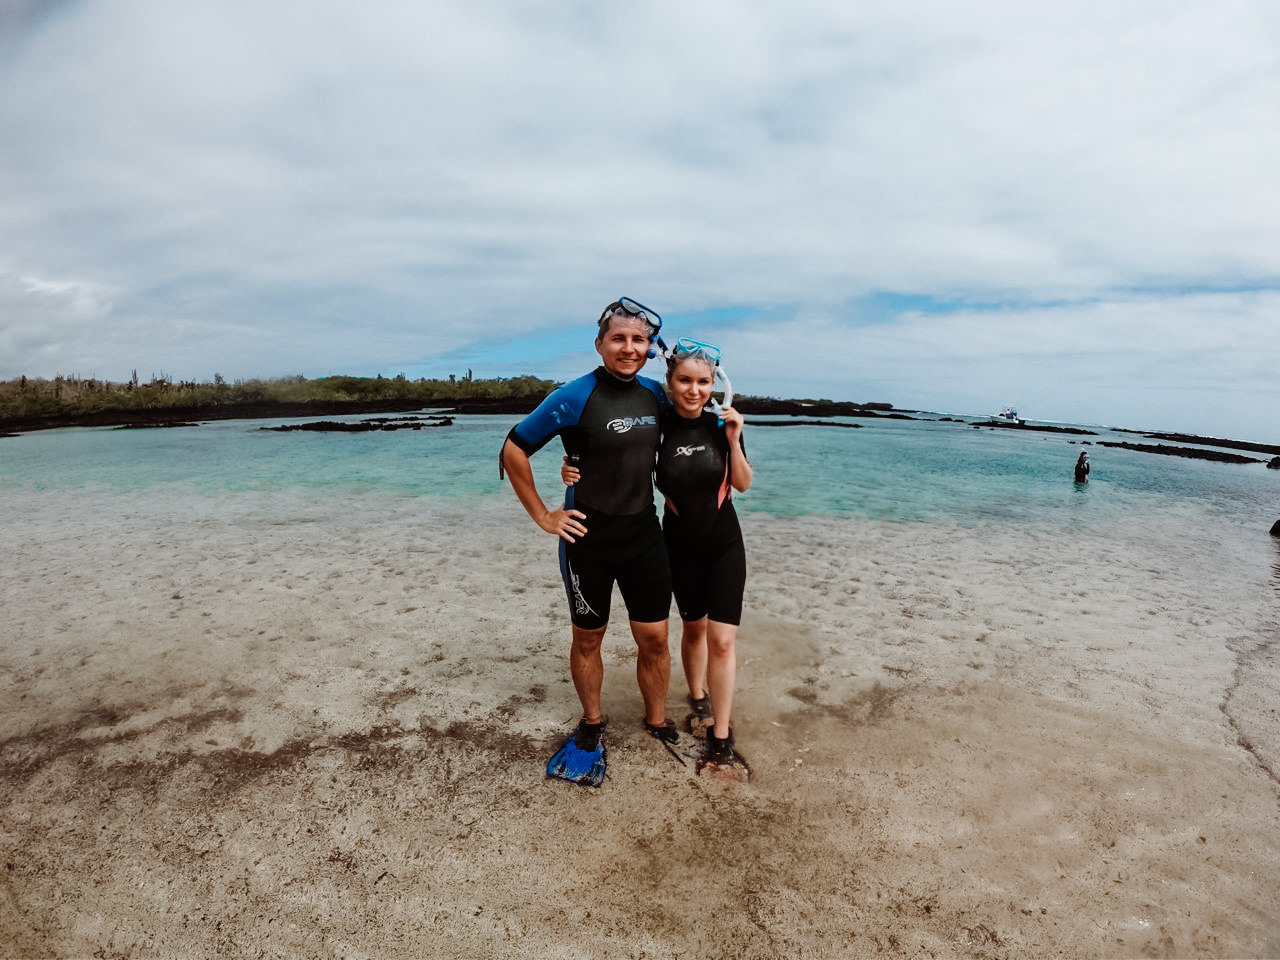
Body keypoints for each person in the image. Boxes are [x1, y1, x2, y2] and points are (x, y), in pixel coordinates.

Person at [500, 297, 680, 787]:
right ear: (600, 344)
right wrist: (544, 515)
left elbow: (687, 438)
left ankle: (657, 719)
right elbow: (514, 448)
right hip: (588, 539)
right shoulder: (573, 396)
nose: (628, 347)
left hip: (644, 534)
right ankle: (593, 722)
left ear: (649, 348)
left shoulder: (656, 396)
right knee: (588, 638)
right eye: (618, 338)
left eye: (638, 340)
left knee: (656, 639)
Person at [564, 337, 754, 775]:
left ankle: (721, 735)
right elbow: (619, 454)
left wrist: (735, 437)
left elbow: (742, 485)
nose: (694, 390)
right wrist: (572, 465)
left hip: (724, 542)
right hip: (676, 544)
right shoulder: (658, 423)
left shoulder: (722, 424)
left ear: (713, 384)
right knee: (691, 628)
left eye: (703, 382)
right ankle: (697, 693)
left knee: (722, 640)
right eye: (685, 381)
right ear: (669, 384)